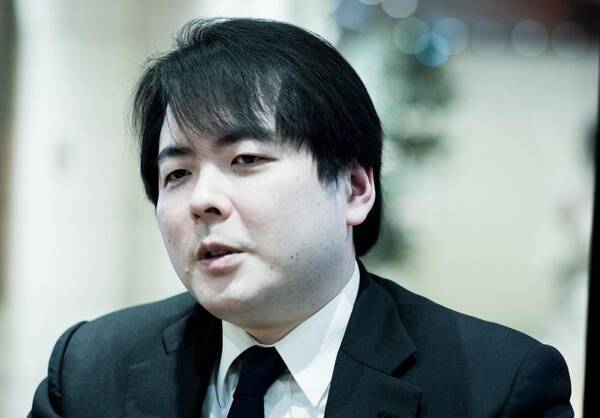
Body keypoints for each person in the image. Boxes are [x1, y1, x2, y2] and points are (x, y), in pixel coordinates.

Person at [29, 17, 574, 418]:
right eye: (177, 174)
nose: (202, 200)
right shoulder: (89, 369)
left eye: (246, 160)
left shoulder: (497, 389)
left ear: (355, 189)